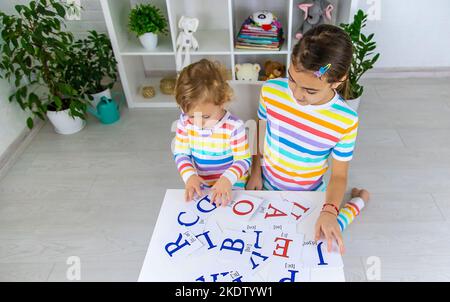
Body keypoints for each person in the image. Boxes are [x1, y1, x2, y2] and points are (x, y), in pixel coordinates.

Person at [246, 24, 369, 254]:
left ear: (337, 80)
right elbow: (259, 130)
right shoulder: (271, 91)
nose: (296, 94)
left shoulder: (346, 120)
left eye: (310, 91)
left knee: (315, 240)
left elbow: (340, 175)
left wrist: (330, 210)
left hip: (309, 195)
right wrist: (255, 170)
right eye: (292, 79)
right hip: (265, 182)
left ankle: (359, 200)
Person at [173, 59, 251, 206]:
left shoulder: (234, 126)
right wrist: (189, 176)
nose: (197, 122)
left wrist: (227, 179)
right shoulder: (184, 122)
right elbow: (181, 154)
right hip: (202, 184)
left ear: (222, 102)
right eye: (191, 115)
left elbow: (243, 160)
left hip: (233, 185)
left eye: (206, 117)